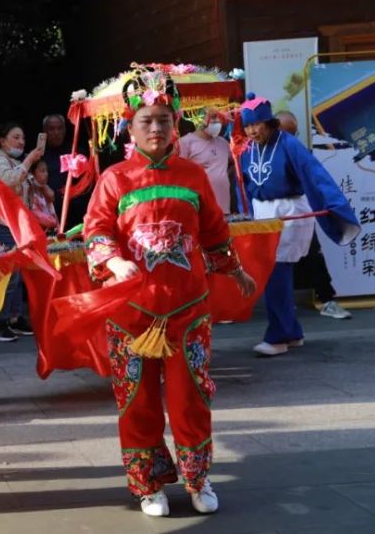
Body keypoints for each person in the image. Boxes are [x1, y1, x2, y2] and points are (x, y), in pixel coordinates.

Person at [81, 67, 256, 517]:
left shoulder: (194, 176)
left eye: (163, 119)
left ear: (175, 122)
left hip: (188, 309)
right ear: (130, 127)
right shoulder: (115, 180)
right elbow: (97, 230)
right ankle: (148, 483)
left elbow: (215, 232)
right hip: (133, 311)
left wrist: (235, 271)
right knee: (136, 399)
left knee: (191, 396)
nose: (156, 128)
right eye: (146, 121)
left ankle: (198, 477)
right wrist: (113, 259)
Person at [239, 94, 360, 356]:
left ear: (270, 123)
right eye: (247, 126)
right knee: (271, 273)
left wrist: (335, 206)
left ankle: (279, 336)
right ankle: (291, 332)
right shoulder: (247, 150)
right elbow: (246, 185)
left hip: (288, 212)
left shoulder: (289, 144)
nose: (251, 131)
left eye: (256, 125)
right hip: (263, 214)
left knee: (275, 274)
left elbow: (315, 174)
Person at [276, 111, 351, 319]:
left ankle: (327, 300)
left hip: (301, 212)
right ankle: (283, 304)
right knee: (278, 260)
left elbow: (317, 180)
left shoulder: (298, 150)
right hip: (274, 215)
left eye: (293, 132)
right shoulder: (260, 152)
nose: (289, 137)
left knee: (312, 254)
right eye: (285, 132)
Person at [0, 123, 41, 341]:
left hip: (16, 225)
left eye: (23, 138)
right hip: (3, 224)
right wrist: (29, 161)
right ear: (2, 141)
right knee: (9, 276)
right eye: (16, 137)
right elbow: (9, 180)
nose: (21, 142)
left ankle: (15, 317)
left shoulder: (16, 162)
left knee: (18, 274)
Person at [41, 114, 90, 229]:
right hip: (49, 214)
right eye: (52, 129)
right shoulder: (39, 155)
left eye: (60, 128)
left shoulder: (77, 152)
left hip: (76, 212)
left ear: (64, 130)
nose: (56, 132)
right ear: (45, 131)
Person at [177, 109, 231, 214]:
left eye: (219, 117)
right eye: (213, 117)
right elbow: (179, 174)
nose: (217, 121)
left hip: (224, 207)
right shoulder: (185, 143)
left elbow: (232, 166)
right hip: (200, 209)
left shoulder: (224, 143)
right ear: (200, 118)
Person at [26, 158, 58, 230]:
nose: (46, 174)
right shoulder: (30, 196)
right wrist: (54, 222)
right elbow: (46, 221)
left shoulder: (46, 193)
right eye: (42, 171)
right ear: (31, 174)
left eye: (46, 171)